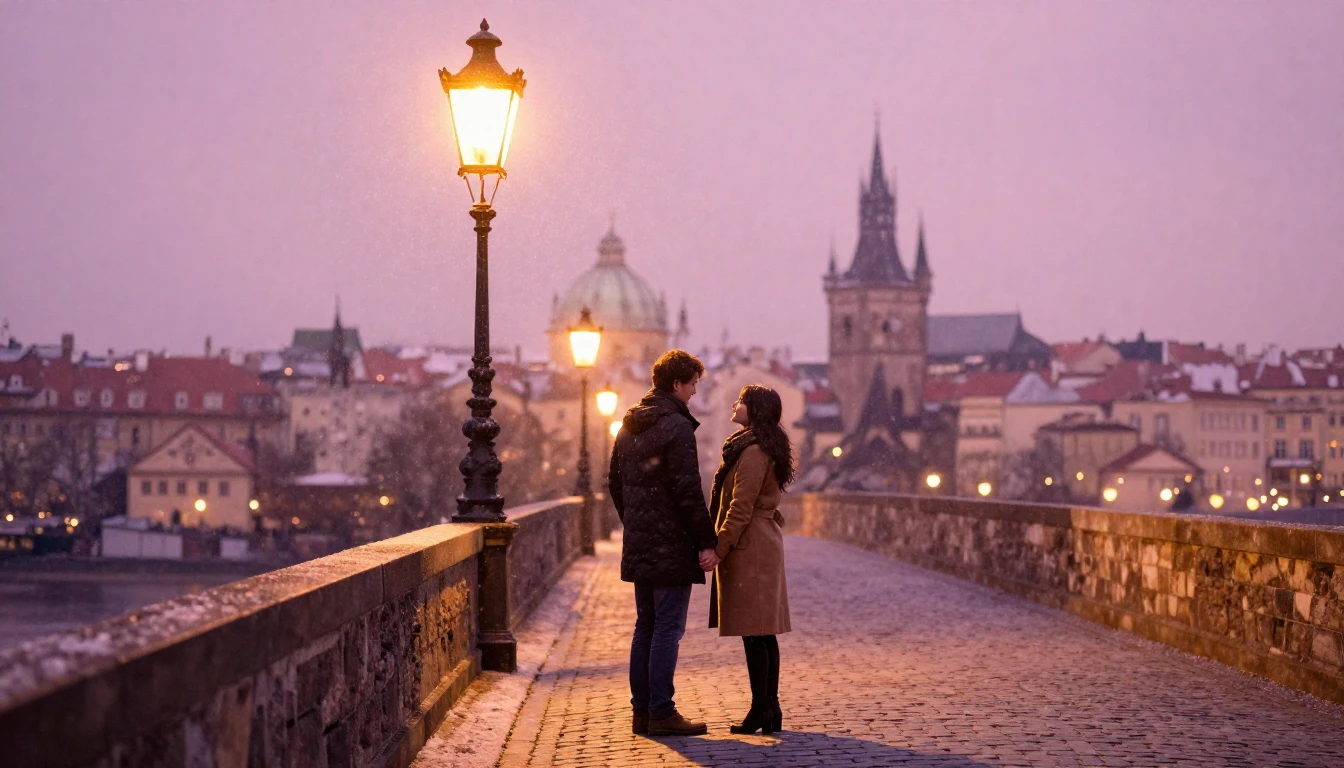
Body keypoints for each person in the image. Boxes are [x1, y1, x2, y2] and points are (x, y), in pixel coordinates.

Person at [609, 349, 719, 737]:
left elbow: (614, 485)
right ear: (677, 384)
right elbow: (688, 490)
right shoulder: (676, 427)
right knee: (667, 628)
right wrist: (706, 541)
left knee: (646, 626)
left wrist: (636, 523)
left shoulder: (627, 427)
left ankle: (642, 711)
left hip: (642, 542)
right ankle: (661, 711)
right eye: (692, 385)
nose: (693, 393)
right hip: (671, 544)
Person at [707, 384, 794, 735]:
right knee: (762, 633)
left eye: (741, 401)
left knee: (755, 634)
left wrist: (719, 548)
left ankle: (762, 709)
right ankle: (769, 708)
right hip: (759, 542)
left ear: (754, 409)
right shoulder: (758, 445)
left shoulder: (753, 451)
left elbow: (739, 508)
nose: (734, 404)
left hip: (751, 546)